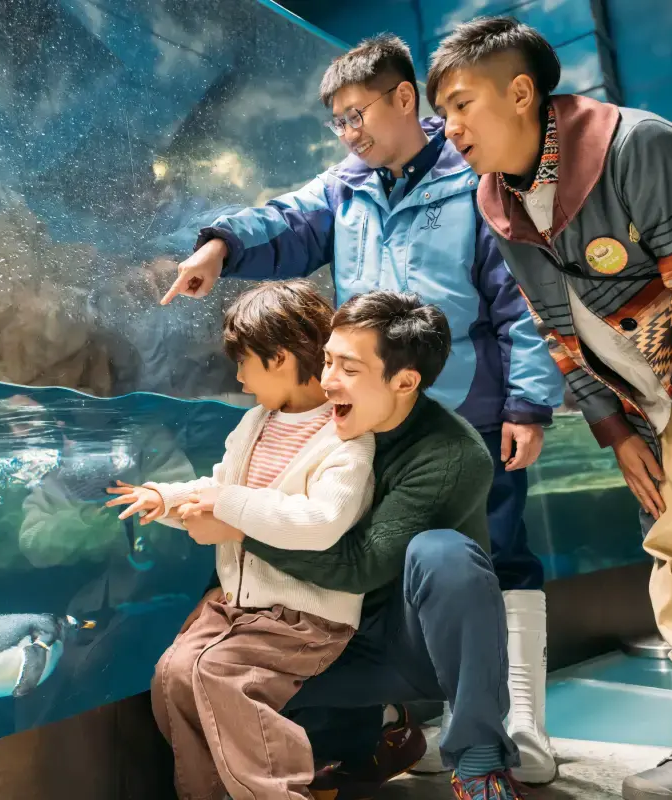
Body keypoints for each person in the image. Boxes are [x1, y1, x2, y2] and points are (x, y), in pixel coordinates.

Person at [158, 33, 564, 785]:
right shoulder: (345, 187)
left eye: (357, 114)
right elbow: (285, 222)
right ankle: (396, 725)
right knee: (380, 572)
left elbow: (521, 300)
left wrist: (529, 401)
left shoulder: (475, 178)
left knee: (494, 559)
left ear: (404, 98)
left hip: (467, 409)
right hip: (370, 417)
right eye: (338, 120)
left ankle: (518, 725)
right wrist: (219, 246)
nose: (348, 132)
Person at [426, 15, 672, 800]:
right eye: (443, 112)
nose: (449, 128)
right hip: (658, 395)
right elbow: (553, 326)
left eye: (460, 104)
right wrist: (615, 430)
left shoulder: (640, 146)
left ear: (521, 93)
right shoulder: (500, 197)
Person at [174, 290, 527, 800]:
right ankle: (372, 734)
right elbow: (264, 504)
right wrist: (219, 593)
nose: (327, 380)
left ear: (404, 382)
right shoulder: (302, 421)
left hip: (402, 647)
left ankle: (478, 761)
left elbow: (361, 564)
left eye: (349, 368)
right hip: (313, 629)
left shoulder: (451, 454)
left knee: (443, 554)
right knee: (203, 672)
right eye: (327, 361)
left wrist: (237, 528)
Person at [104, 280, 378, 800]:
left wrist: (225, 503)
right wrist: (165, 498)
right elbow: (219, 487)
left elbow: (321, 521)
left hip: (305, 617)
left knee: (217, 676)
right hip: (238, 606)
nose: (238, 377)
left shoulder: (344, 437)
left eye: (244, 362)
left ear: (279, 358)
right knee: (172, 675)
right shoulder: (255, 423)